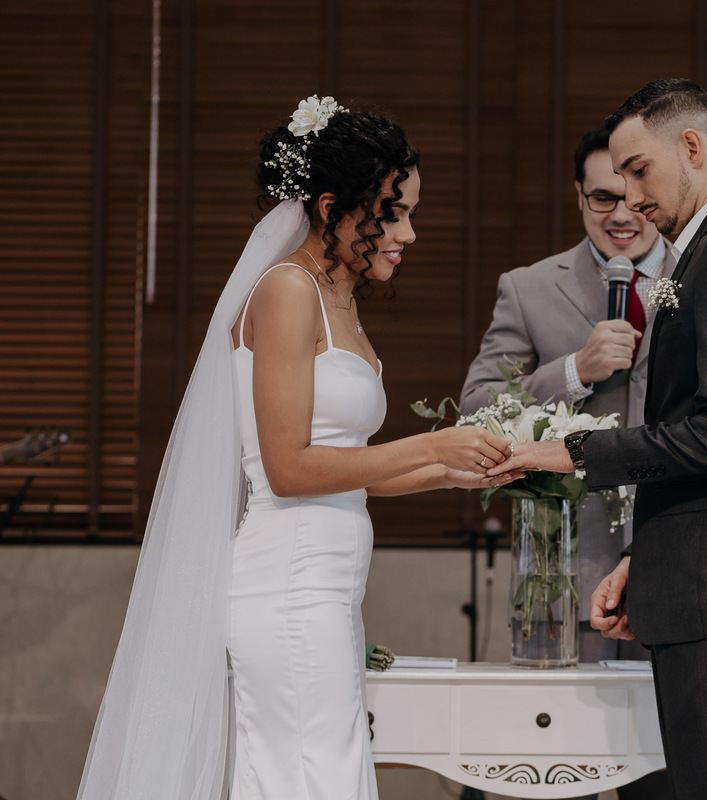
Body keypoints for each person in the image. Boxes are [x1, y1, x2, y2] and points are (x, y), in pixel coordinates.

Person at [76, 96, 518, 800]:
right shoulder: (286, 292)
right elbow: (286, 470)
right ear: (330, 205)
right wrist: (430, 442)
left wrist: (445, 474)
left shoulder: (334, 297)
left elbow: (344, 472)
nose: (407, 232)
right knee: (314, 779)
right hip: (286, 589)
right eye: (392, 212)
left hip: (328, 592)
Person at [490, 79, 707, 800]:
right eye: (616, 181)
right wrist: (645, 554)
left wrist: (580, 453)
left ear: (691, 147)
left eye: (639, 171)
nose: (632, 197)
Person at [460, 124, 671, 662]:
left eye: (632, 198)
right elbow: (476, 408)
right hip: (571, 576)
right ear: (578, 195)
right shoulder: (528, 289)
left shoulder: (705, 274)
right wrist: (575, 370)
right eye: (603, 197)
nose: (621, 215)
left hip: (679, 569)